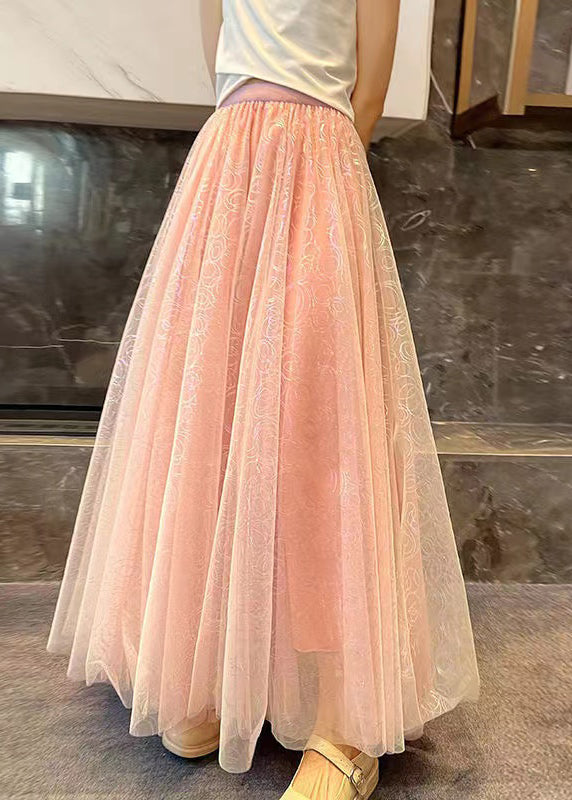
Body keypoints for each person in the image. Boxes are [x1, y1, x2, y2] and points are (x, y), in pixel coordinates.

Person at [48, 1, 479, 798]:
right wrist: (253, 140)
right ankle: (210, 670)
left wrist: (321, 171)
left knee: (319, 417)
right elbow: (225, 63)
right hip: (227, 167)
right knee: (207, 406)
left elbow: (369, 91)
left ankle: (347, 717)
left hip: (320, 163)